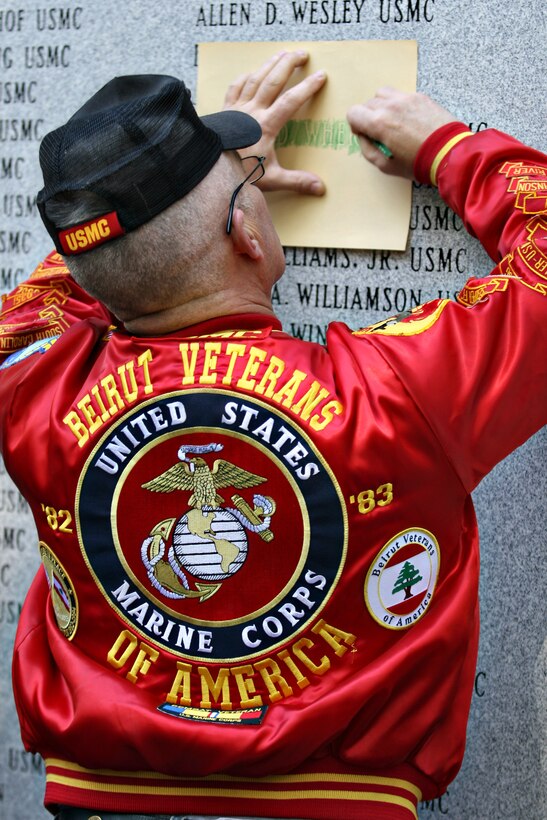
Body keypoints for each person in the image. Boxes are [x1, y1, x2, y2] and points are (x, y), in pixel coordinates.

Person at [0, 50, 545, 820]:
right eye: (245, 192)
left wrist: (166, 213)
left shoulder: (31, 392)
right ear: (247, 236)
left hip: (96, 798)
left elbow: (64, 291)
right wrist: (451, 150)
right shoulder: (392, 396)